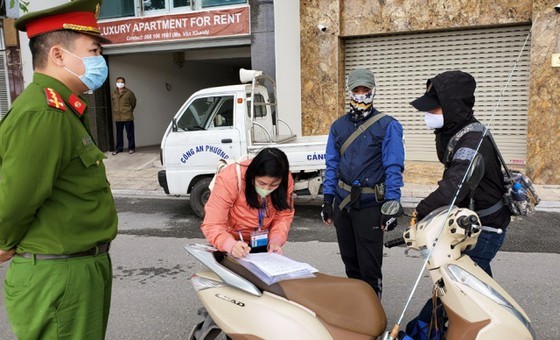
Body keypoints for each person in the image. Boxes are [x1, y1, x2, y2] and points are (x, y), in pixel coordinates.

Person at [0, 1, 117, 339]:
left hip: (74, 268)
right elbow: (19, 194)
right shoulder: (44, 113)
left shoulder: (63, 107)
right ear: (58, 55)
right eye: (93, 51)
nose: (99, 60)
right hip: (59, 274)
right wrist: (5, 241)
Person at [410, 70, 511, 277]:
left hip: (485, 228)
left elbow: (453, 187)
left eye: (433, 108)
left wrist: (421, 211)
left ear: (452, 107)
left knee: (456, 286)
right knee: (479, 287)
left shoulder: (472, 141)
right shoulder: (456, 130)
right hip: (469, 221)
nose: (427, 113)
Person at [321, 68, 405, 297]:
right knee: (350, 262)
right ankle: (358, 308)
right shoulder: (338, 127)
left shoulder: (388, 125)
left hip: (370, 205)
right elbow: (332, 165)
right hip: (343, 203)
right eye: (355, 90)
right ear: (349, 92)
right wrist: (327, 199)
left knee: (369, 266)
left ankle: (373, 311)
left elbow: (393, 167)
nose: (360, 95)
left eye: (365, 90)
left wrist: (392, 205)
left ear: (373, 91)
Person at [201, 148, 295, 258]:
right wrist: (230, 245)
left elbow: (283, 215)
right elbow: (212, 224)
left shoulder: (286, 179)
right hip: (231, 241)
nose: (266, 189)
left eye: (274, 185)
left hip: (262, 242)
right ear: (252, 175)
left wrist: (275, 240)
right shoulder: (230, 179)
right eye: (261, 183)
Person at [111, 76, 137, 154]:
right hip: (118, 117)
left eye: (121, 82)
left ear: (124, 83)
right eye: (118, 82)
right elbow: (114, 103)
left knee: (130, 134)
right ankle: (119, 148)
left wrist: (129, 110)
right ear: (116, 83)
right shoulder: (114, 93)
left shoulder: (129, 93)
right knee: (119, 134)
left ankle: (131, 148)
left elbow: (133, 103)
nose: (120, 83)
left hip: (127, 116)